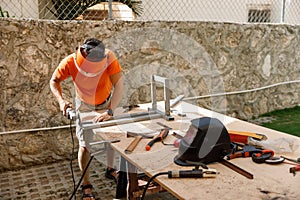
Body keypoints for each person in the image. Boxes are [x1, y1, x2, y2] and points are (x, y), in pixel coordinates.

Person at [50, 38, 123, 200]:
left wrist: (110, 111)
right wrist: (62, 102)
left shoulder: (109, 58)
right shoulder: (70, 62)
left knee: (111, 139)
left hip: (105, 103)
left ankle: (111, 170)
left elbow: (119, 85)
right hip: (83, 105)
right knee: (85, 145)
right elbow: (54, 81)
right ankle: (86, 184)